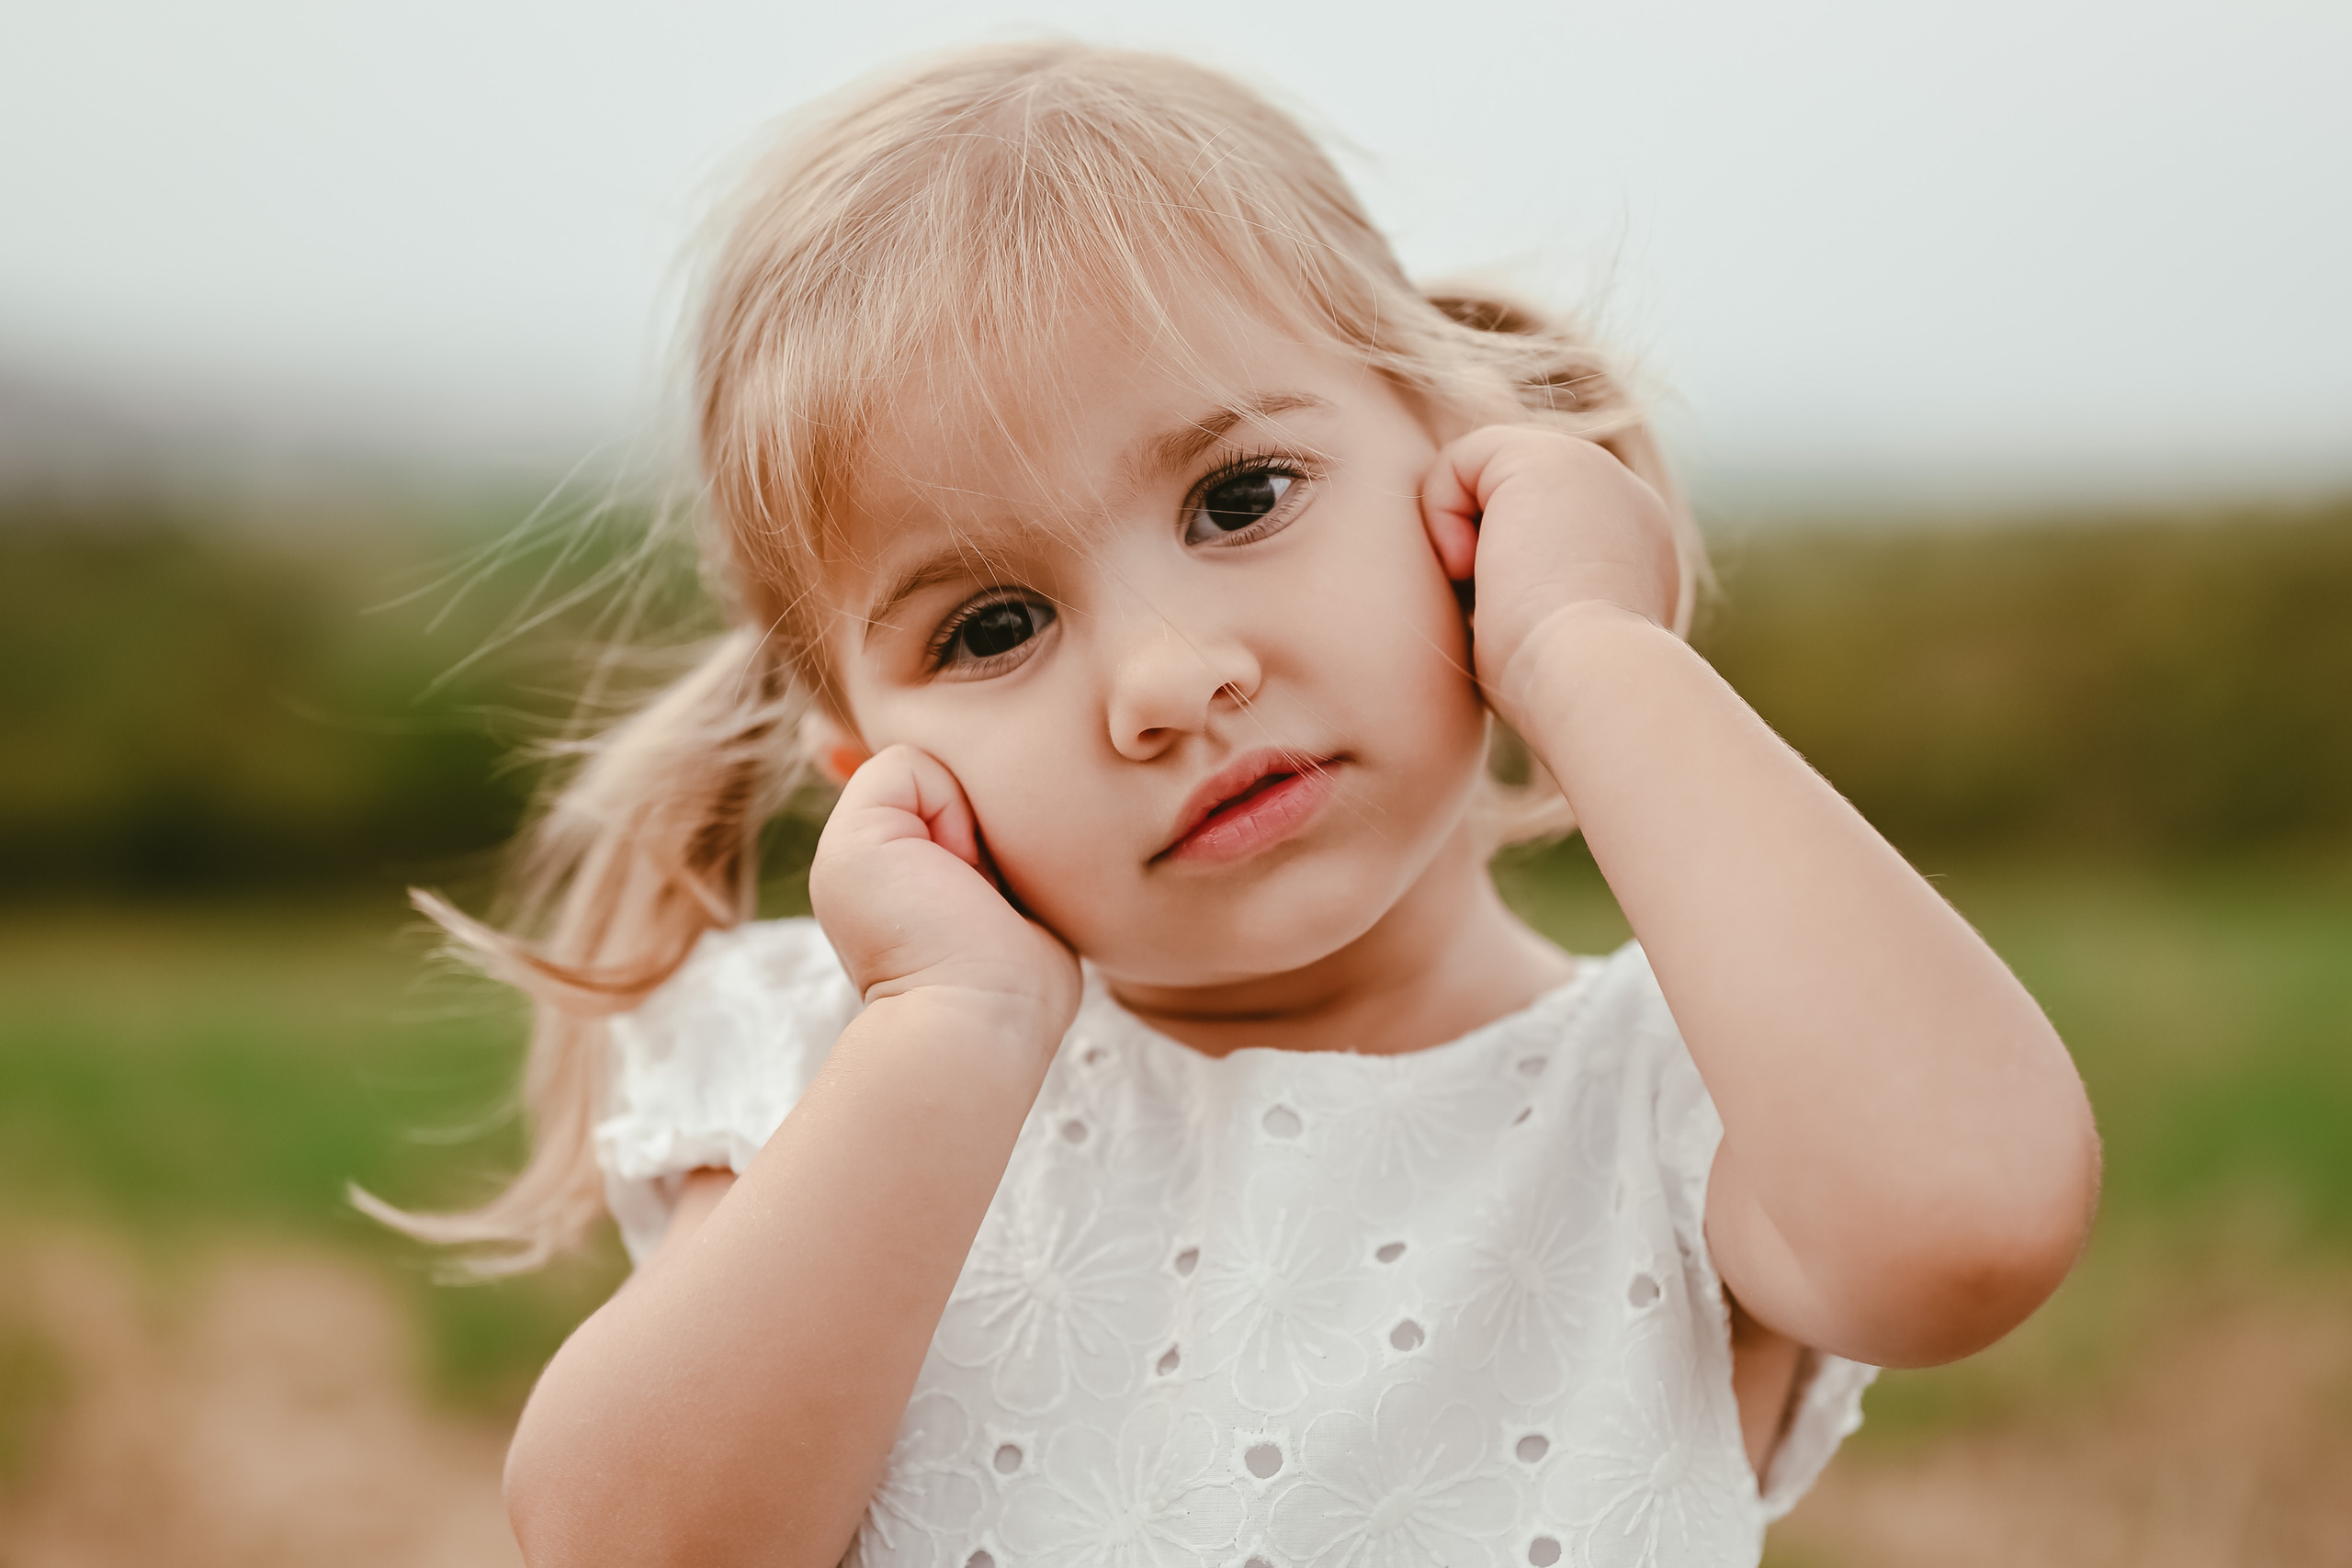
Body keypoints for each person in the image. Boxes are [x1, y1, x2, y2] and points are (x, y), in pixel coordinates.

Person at [368, 41, 2100, 1568]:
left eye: (1241, 495)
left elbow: (1973, 1221)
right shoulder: (842, 1077)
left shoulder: (1683, 1095)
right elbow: (631, 1549)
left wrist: (1588, 651)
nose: (1164, 679)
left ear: (1464, 466)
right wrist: (955, 1030)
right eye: (992, 626)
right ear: (870, 770)